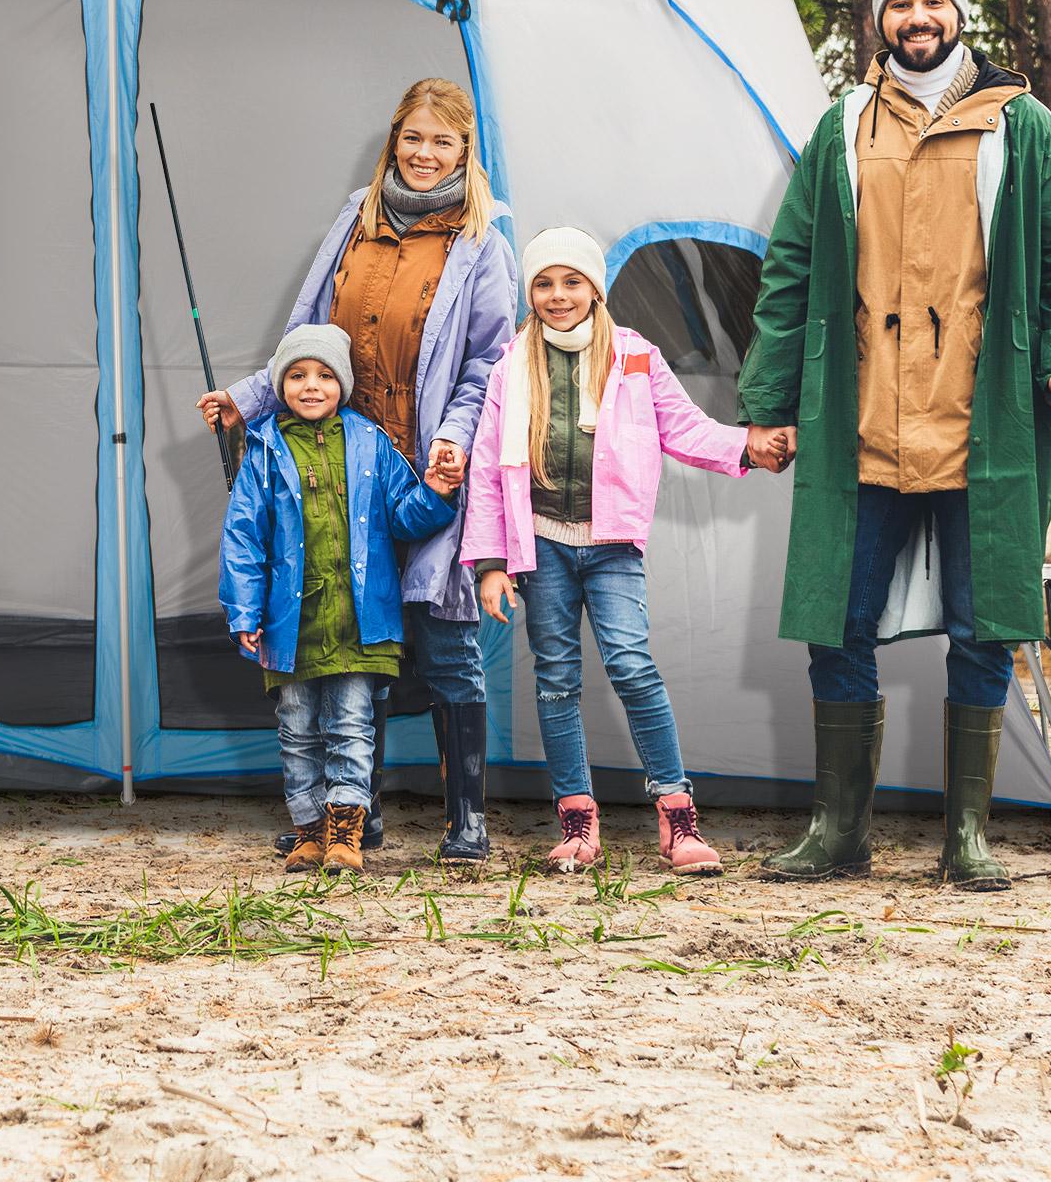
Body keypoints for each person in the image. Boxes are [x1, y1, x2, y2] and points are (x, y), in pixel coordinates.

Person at [743, 0, 1051, 890]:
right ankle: (839, 832)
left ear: (958, 14)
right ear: (880, 20)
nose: (917, 17)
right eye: (900, 2)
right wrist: (768, 404)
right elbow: (789, 272)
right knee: (837, 621)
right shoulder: (841, 127)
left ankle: (968, 838)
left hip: (983, 424)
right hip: (859, 423)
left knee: (985, 626)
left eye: (933, 1)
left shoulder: (1021, 125)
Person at [199, 77, 517, 861]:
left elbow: (489, 361)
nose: (424, 153)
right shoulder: (355, 220)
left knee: (445, 640)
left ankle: (466, 820)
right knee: (344, 633)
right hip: (340, 460)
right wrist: (249, 398)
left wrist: (456, 436)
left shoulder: (484, 242)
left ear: (464, 151)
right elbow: (306, 332)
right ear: (393, 139)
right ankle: (355, 815)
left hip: (429, 459)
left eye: (441, 141)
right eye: (413, 137)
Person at [461, 229, 787, 874]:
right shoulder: (511, 365)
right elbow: (489, 470)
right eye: (544, 284)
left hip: (611, 545)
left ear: (596, 289)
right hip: (542, 547)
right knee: (556, 679)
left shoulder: (635, 355)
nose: (558, 296)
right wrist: (492, 565)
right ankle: (577, 823)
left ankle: (677, 815)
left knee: (633, 666)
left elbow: (684, 427)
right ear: (530, 293)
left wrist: (747, 446)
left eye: (572, 282)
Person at [219, 324, 459, 874]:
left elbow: (403, 517)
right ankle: (309, 831)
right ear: (280, 386)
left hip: (359, 619)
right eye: (298, 375)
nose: (311, 386)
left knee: (351, 726)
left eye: (325, 375)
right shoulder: (263, 449)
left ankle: (346, 833)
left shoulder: (371, 442)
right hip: (290, 622)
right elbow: (243, 537)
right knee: (297, 729)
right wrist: (244, 610)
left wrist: (438, 493)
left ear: (343, 385)